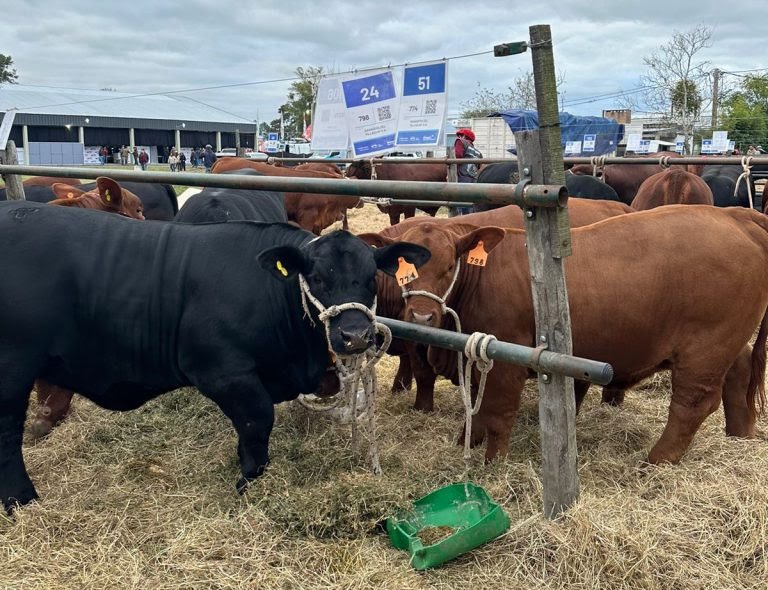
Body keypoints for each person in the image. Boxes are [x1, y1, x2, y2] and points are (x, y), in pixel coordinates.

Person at [451, 128, 482, 216]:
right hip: (474, 179)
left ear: (464, 136)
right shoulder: (478, 153)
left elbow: (457, 155)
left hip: (462, 177)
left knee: (461, 201)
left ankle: (461, 219)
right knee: (470, 202)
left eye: (460, 135)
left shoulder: (460, 141)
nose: (459, 137)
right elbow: (479, 166)